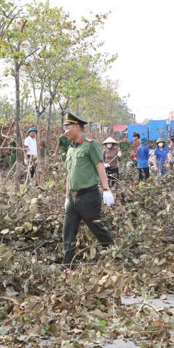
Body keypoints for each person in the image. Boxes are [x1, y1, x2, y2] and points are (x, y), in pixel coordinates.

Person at [61, 113, 115, 267]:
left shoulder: (90, 145)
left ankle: (116, 255)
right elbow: (69, 174)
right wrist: (66, 197)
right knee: (68, 230)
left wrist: (106, 189)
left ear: (77, 127)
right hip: (73, 197)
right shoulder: (70, 149)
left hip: (88, 195)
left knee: (96, 228)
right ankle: (68, 265)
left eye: (67, 127)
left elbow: (99, 166)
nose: (65, 131)